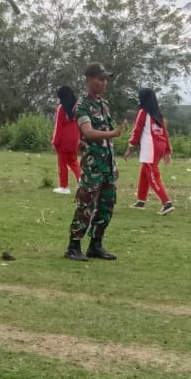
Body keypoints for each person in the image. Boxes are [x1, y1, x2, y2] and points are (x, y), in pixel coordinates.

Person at [65, 62, 121, 262]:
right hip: (93, 167)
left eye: (105, 79)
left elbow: (104, 138)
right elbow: (88, 132)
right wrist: (113, 133)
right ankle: (73, 246)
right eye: (100, 78)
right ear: (89, 80)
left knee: (106, 207)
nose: (104, 82)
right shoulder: (82, 105)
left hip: (107, 165)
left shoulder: (103, 104)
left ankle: (95, 245)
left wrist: (113, 164)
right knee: (86, 206)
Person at [126, 87, 174, 214]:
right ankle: (141, 201)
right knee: (145, 172)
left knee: (152, 174)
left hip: (150, 147)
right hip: (160, 146)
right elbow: (165, 134)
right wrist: (167, 151)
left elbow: (137, 129)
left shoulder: (143, 112)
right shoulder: (159, 115)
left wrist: (130, 146)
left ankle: (166, 203)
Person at [51, 85, 81, 194]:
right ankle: (81, 180)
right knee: (73, 162)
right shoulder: (77, 107)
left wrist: (54, 142)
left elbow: (58, 126)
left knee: (62, 164)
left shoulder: (61, 108)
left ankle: (64, 186)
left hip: (63, 140)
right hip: (74, 139)